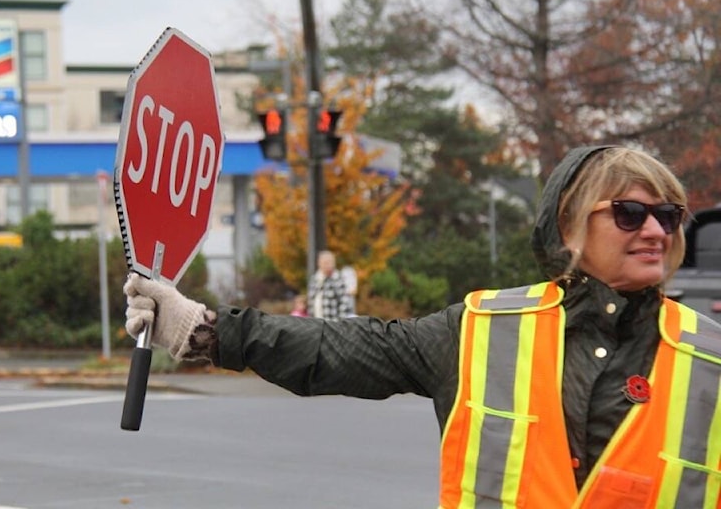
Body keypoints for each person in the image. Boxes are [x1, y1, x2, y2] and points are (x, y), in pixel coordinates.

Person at [124, 145, 721, 508]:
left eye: (668, 215)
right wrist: (205, 330)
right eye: (629, 213)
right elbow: (344, 349)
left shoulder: (709, 356)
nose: (655, 231)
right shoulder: (485, 329)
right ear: (568, 228)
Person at [307, 249, 353, 320]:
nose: (328, 265)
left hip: (332, 323)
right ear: (319, 263)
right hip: (316, 322)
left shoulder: (338, 279)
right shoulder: (315, 279)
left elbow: (345, 303)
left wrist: (340, 323)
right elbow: (310, 301)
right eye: (325, 263)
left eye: (330, 262)